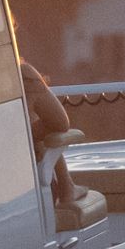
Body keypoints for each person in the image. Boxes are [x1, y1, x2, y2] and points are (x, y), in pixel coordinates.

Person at [20, 59, 81, 205]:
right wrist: (28, 134)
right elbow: (60, 123)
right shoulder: (22, 75)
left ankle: (68, 187)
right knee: (45, 126)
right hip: (31, 190)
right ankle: (67, 188)